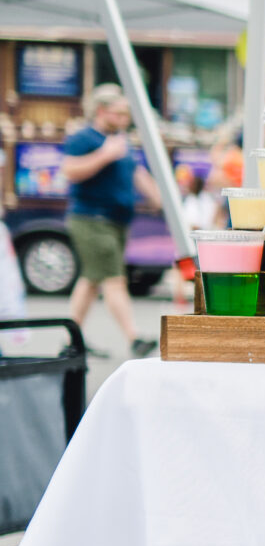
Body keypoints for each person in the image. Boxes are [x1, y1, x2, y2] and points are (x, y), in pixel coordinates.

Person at [58, 83, 158, 357]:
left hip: (116, 220)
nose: (125, 119)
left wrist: (160, 200)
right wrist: (105, 154)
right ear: (101, 111)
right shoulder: (85, 138)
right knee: (114, 279)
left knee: (91, 281)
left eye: (127, 114)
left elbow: (136, 172)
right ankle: (134, 338)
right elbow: (70, 170)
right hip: (92, 219)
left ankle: (71, 340)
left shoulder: (120, 140)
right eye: (119, 113)